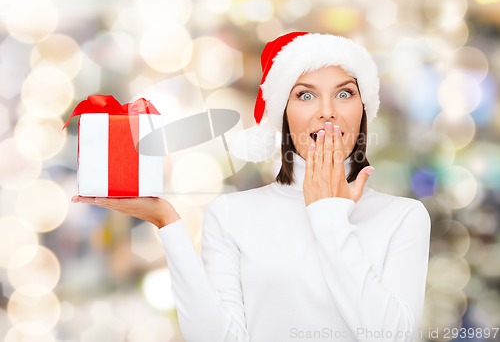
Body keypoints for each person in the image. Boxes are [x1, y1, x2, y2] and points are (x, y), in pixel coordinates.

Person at [72, 32, 431, 342]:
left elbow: (392, 336)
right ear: (283, 114)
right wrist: (169, 224)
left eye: (344, 93)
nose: (327, 111)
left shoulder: (403, 216)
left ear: (364, 109)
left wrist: (330, 216)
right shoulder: (232, 215)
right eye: (305, 95)